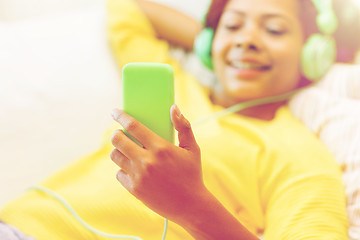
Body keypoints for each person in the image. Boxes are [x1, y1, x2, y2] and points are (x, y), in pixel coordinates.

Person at [0, 0, 359, 239]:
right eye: (233, 26)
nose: (247, 40)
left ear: (315, 54)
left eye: (274, 30)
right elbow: (129, 8)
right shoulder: (173, 82)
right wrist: (213, 46)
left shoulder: (298, 155)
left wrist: (192, 205)